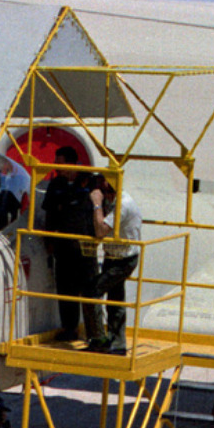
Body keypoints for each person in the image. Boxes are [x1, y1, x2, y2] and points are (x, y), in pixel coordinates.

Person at [35, 147, 100, 344]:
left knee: (89, 291)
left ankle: (94, 334)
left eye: (61, 163)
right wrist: (48, 240)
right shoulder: (56, 184)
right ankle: (69, 328)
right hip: (63, 245)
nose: (57, 168)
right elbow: (50, 213)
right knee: (65, 289)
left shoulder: (89, 182)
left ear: (72, 163)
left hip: (85, 247)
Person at [89, 173, 143, 356]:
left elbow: (100, 230)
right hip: (113, 256)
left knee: (92, 291)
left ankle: (98, 339)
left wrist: (96, 204)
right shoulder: (113, 202)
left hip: (124, 259)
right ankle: (117, 342)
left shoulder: (122, 204)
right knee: (115, 299)